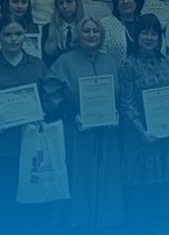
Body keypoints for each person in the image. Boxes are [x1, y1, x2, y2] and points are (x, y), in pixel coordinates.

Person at [43, 17, 125, 230]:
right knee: (79, 178)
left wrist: (115, 111)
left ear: (102, 35)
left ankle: (104, 223)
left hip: (107, 132)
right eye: (86, 31)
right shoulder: (65, 61)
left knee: (107, 179)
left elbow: (118, 92)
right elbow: (50, 94)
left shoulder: (109, 61)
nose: (91, 35)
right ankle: (78, 224)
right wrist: (71, 114)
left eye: (95, 31)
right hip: (77, 130)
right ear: (78, 35)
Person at [0, 17, 48, 230]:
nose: (13, 39)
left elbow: (47, 99)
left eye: (18, 34)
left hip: (29, 148)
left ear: (25, 36)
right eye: (8, 34)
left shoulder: (38, 66)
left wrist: (42, 114)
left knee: (29, 208)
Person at [119, 16, 169, 234]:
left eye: (154, 33)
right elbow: (126, 104)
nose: (149, 38)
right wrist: (142, 132)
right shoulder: (128, 66)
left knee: (162, 196)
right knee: (139, 198)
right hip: (139, 140)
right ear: (136, 36)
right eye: (144, 32)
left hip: (164, 139)